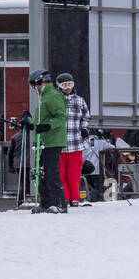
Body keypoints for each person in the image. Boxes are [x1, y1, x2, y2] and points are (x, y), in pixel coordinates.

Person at [31, 70, 68, 213]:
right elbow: (42, 120)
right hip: (44, 140)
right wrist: (32, 126)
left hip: (53, 141)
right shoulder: (44, 96)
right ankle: (46, 203)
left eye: (34, 85)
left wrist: (48, 125)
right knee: (42, 173)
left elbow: (61, 117)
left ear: (41, 82)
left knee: (52, 173)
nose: (34, 88)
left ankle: (59, 203)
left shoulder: (52, 95)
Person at [58, 73, 90, 208]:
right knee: (61, 174)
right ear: (59, 86)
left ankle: (74, 198)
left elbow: (86, 117)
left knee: (74, 175)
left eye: (70, 85)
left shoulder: (79, 100)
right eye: (64, 85)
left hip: (75, 144)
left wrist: (84, 129)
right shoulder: (56, 100)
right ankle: (64, 197)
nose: (67, 88)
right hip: (59, 143)